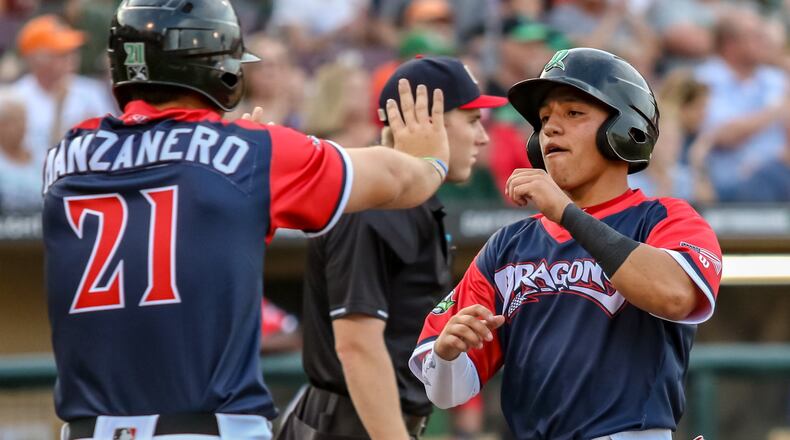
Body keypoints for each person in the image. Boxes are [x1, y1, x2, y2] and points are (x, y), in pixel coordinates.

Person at [43, 1, 450, 439]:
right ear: (215, 65)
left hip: (86, 430)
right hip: (207, 428)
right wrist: (431, 160)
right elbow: (400, 182)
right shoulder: (252, 152)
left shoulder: (65, 157)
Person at [409, 48, 723, 440]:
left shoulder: (665, 218)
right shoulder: (508, 245)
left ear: (625, 129)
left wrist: (568, 215)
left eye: (573, 114)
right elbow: (448, 392)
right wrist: (448, 353)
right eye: (544, 120)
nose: (551, 129)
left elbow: (676, 295)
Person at [275, 55, 507, 440]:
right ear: (426, 121)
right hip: (347, 425)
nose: (483, 137)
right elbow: (358, 346)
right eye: (472, 121)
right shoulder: (375, 205)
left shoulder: (411, 201)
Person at [13, 14, 115, 154]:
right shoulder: (16, 99)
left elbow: (111, 144)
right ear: (37, 59)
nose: (72, 59)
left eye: (73, 52)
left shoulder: (91, 91)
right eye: (62, 54)